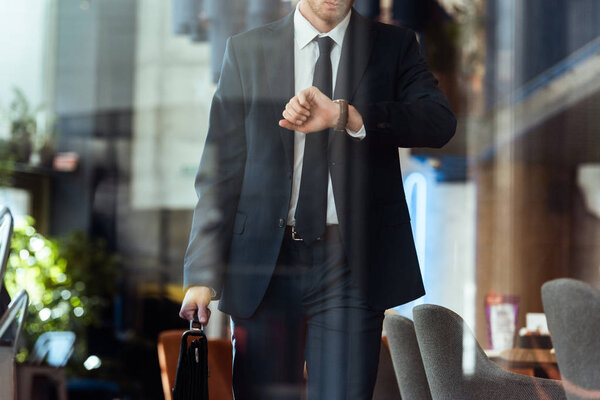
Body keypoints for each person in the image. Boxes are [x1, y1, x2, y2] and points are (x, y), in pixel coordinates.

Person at [179, 0, 456, 398]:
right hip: (264, 266)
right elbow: (219, 175)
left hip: (350, 265)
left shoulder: (393, 45)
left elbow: (439, 121)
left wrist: (347, 116)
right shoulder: (247, 50)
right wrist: (202, 274)